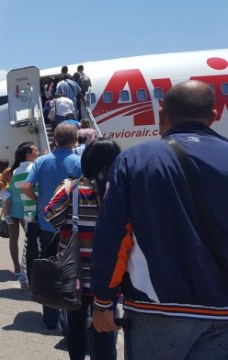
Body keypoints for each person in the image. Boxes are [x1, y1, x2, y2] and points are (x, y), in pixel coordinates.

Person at [91, 80, 228, 359]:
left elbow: (114, 236)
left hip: (156, 309)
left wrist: (103, 301)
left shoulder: (135, 160)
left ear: (160, 114)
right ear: (214, 116)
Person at [44, 138, 121, 360]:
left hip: (74, 272)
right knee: (105, 327)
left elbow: (51, 217)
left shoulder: (70, 188)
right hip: (109, 274)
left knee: (75, 326)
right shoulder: (118, 189)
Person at [22, 123, 83, 331]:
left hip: (48, 224)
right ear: (75, 140)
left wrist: (39, 200)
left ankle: (50, 318)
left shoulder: (42, 161)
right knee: (72, 270)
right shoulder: (79, 161)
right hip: (73, 224)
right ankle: (71, 316)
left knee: (50, 268)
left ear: (55, 140)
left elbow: (26, 186)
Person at [12, 141, 41, 290]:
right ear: (28, 154)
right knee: (39, 247)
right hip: (37, 211)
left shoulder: (16, 171)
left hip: (27, 211)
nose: (39, 151)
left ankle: (24, 277)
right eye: (36, 149)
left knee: (28, 245)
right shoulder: (35, 168)